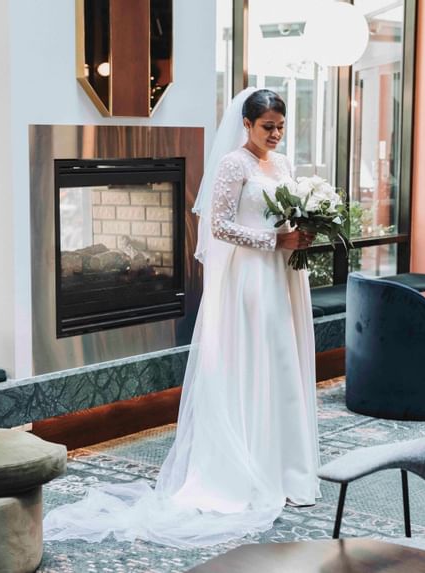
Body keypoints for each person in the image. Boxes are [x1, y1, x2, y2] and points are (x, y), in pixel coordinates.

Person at [42, 88, 321, 548]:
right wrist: (275, 243)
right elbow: (219, 226)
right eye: (267, 126)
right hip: (251, 275)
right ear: (247, 124)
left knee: (282, 361)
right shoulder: (234, 164)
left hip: (281, 274)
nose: (275, 134)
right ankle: (248, 466)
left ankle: (286, 468)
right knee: (255, 359)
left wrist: (300, 233)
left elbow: (285, 217)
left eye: (281, 126)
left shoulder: (284, 164)